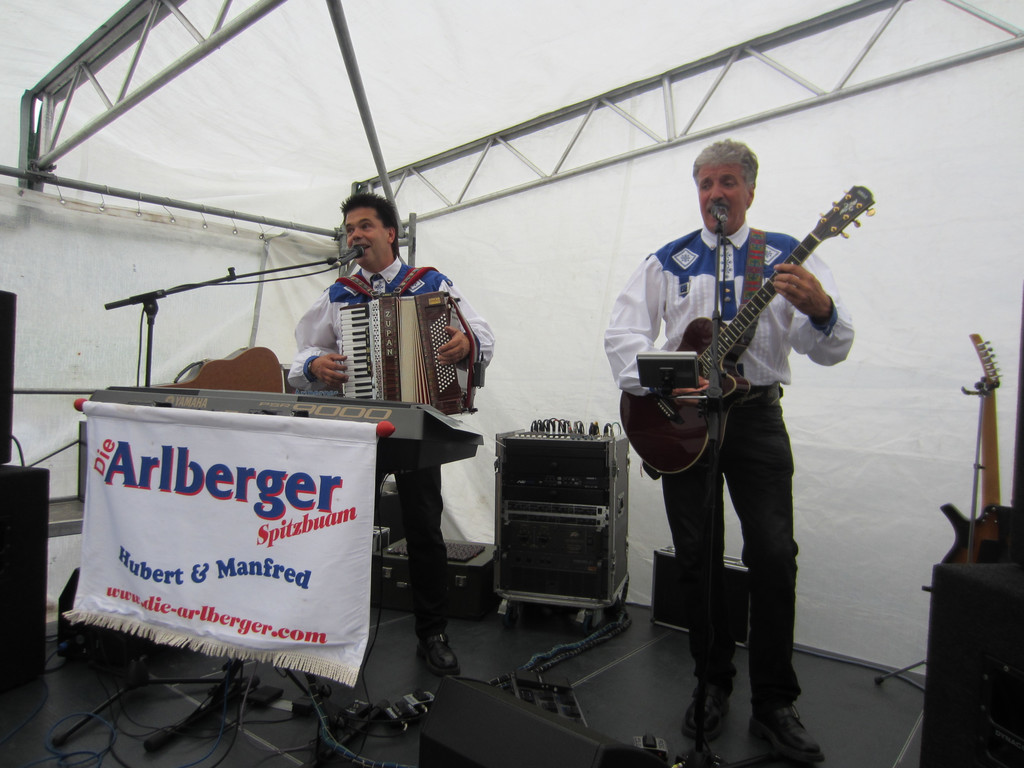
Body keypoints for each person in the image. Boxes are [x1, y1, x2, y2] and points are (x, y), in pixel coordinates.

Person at [604, 139, 853, 763]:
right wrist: (665, 381)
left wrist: (821, 309)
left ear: (749, 190)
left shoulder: (785, 254)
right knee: (698, 556)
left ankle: (774, 702)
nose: (716, 193)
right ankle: (711, 682)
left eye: (727, 182)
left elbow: (828, 347)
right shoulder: (670, 260)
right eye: (706, 184)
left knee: (774, 554)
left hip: (757, 418)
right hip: (685, 421)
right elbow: (623, 335)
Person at [288, 192, 495, 677]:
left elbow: (482, 335)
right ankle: (332, 632)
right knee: (342, 528)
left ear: (390, 233)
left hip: (417, 423)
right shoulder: (340, 293)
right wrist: (315, 365)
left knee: (424, 529)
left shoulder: (430, 284)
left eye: (364, 226)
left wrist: (465, 343)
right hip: (358, 428)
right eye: (349, 229)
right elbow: (302, 352)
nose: (355, 235)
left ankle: (432, 633)